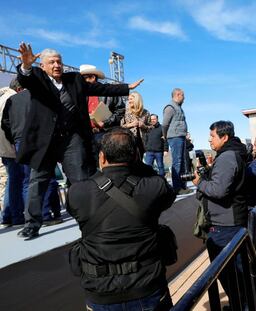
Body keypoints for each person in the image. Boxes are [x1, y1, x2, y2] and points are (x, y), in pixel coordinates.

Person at [15, 42, 143, 239]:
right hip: (45, 141)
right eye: (52, 62)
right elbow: (25, 78)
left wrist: (127, 88)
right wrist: (25, 66)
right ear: (43, 66)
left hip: (71, 140)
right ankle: (32, 224)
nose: (57, 65)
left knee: (80, 180)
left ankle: (89, 218)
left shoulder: (74, 79)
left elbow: (100, 88)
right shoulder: (37, 77)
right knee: (37, 182)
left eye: (59, 61)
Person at [67, 128, 175, 310]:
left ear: (101, 157)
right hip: (147, 289)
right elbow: (168, 194)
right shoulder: (154, 186)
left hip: (100, 294)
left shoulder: (78, 192)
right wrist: (139, 164)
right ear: (136, 156)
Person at [192, 120, 248, 307]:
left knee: (229, 275)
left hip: (225, 225)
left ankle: (240, 305)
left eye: (212, 136)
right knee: (235, 275)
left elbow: (219, 190)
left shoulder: (226, 157)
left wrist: (199, 182)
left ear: (224, 137)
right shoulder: (230, 154)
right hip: (229, 221)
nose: (209, 140)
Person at [2, 79, 62, 226]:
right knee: (44, 176)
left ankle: (24, 218)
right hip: (37, 139)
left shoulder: (10, 100)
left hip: (16, 144)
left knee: (24, 181)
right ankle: (45, 215)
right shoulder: (38, 96)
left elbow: (5, 124)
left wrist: (14, 139)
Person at [80, 64, 127, 152]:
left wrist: (105, 123)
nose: (80, 82)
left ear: (92, 77)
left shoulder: (108, 91)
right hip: (85, 135)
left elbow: (121, 110)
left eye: (83, 78)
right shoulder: (80, 94)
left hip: (106, 134)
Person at [0, 85, 24, 227]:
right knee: (16, 181)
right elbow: (9, 124)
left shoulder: (2, 98)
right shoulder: (12, 98)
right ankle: (16, 216)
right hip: (12, 146)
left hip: (3, 147)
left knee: (12, 180)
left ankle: (8, 216)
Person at [163, 88, 191, 195]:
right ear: (178, 95)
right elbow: (165, 124)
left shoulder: (179, 107)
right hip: (175, 137)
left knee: (183, 161)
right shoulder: (170, 108)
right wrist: (165, 136)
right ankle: (177, 188)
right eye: (183, 95)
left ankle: (183, 186)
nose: (184, 98)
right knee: (177, 162)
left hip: (181, 136)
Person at [121, 91, 151, 160]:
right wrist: (130, 125)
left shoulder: (146, 112)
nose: (129, 101)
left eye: (130, 99)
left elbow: (151, 128)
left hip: (141, 143)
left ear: (136, 100)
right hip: (128, 141)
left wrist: (144, 126)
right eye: (128, 99)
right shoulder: (125, 112)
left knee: (139, 163)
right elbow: (120, 127)